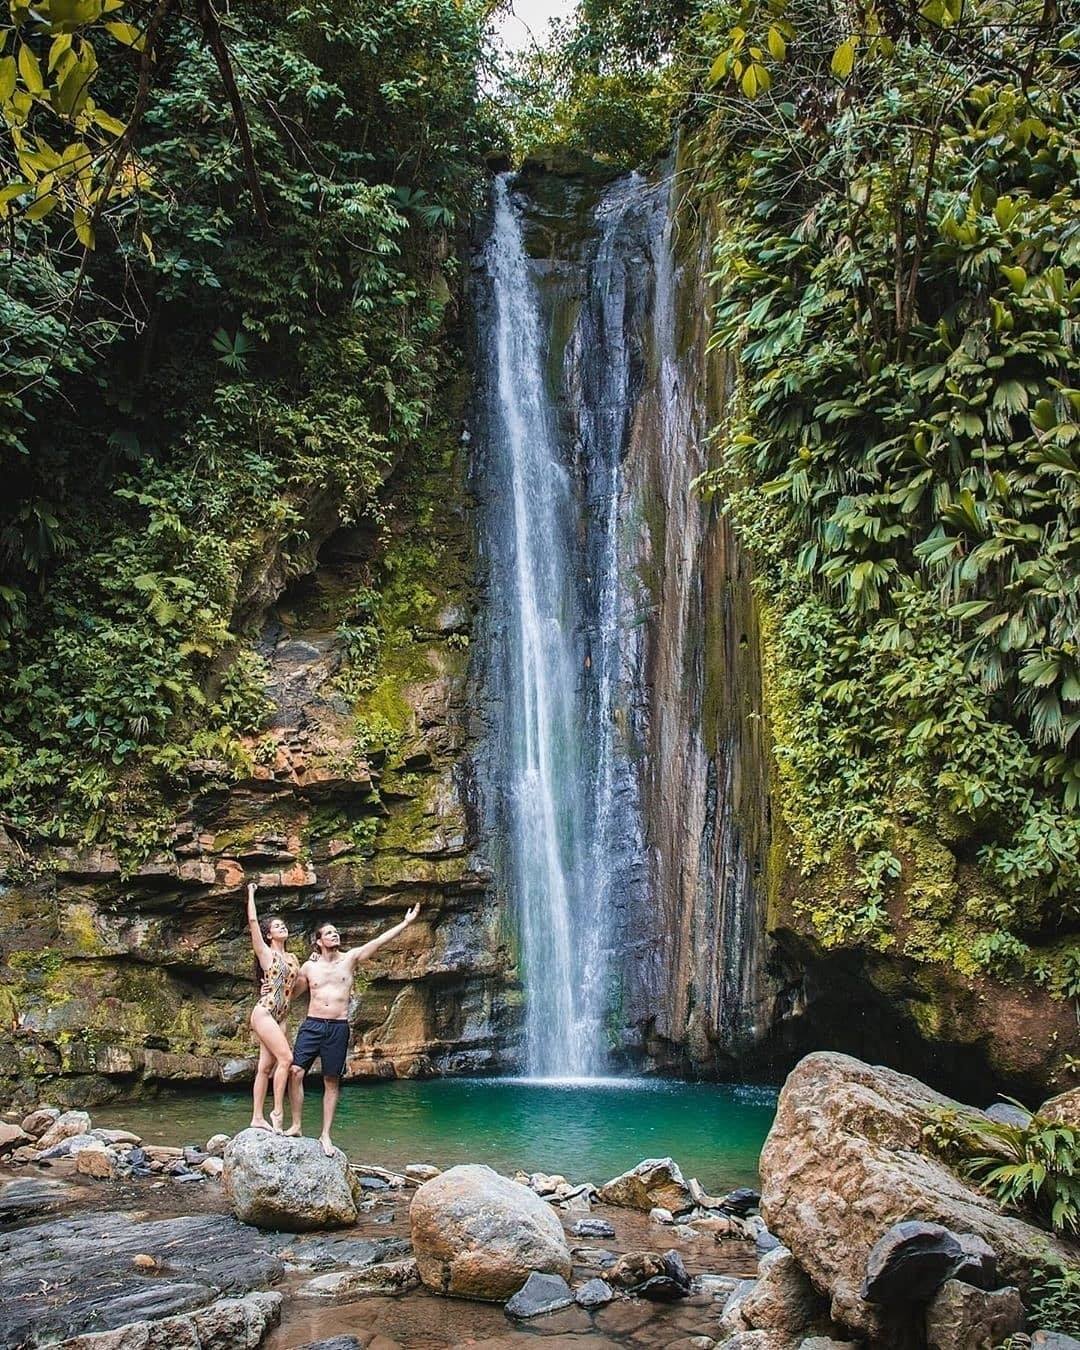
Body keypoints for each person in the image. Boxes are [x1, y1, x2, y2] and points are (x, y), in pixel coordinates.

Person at [290, 904, 423, 1155]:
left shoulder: (350, 959)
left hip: (338, 1027)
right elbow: (292, 994)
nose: (335, 935)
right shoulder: (309, 968)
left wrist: (406, 923)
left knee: (331, 1080)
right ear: (317, 941)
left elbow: (379, 942)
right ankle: (296, 1124)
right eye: (328, 933)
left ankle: (325, 1135)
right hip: (313, 1024)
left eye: (336, 932)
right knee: (295, 1071)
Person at [246, 881, 302, 1133]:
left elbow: (295, 988)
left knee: (265, 1067)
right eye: (277, 926)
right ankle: (277, 1112)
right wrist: (250, 894)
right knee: (286, 1058)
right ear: (269, 935)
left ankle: (257, 1117)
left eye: (283, 925)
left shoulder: (292, 958)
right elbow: (253, 923)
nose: (283, 928)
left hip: (282, 1014)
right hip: (265, 1011)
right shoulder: (266, 954)